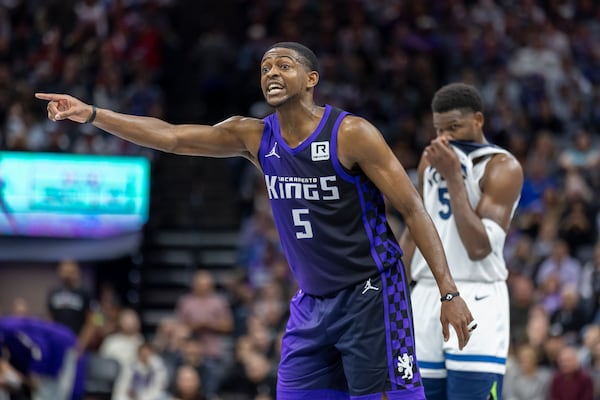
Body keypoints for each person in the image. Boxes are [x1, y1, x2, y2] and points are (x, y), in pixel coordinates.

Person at [36, 42, 474, 400]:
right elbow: (170, 136)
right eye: (265, 67)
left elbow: (413, 208)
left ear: (311, 80)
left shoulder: (350, 133)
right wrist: (92, 114)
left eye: (284, 65)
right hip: (311, 302)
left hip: (371, 291)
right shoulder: (253, 135)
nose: (272, 73)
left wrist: (447, 292)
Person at [399, 83, 524, 400]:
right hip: (427, 292)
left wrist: (456, 177)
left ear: (478, 120)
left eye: (454, 127)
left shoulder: (502, 166)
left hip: (476, 293)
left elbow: (479, 246)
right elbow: (416, 226)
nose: (446, 138)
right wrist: (393, 289)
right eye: (440, 129)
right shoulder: (430, 161)